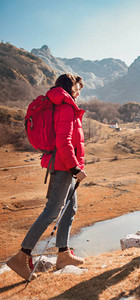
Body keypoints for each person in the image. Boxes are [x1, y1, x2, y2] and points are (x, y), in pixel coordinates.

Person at [7, 74, 88, 281]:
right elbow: (64, 140)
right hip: (63, 166)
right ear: (71, 87)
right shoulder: (66, 106)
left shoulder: (60, 103)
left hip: (63, 165)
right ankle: (22, 256)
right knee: (52, 210)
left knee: (70, 208)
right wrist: (74, 168)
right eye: (78, 87)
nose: (79, 91)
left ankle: (63, 254)